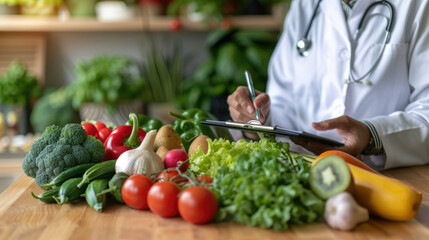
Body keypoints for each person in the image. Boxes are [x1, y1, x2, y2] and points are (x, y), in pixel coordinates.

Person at [227, 0, 429, 170]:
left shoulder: (418, 5)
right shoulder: (305, 5)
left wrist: (371, 135)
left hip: (387, 176)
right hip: (305, 172)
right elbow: (285, 100)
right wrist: (259, 116)